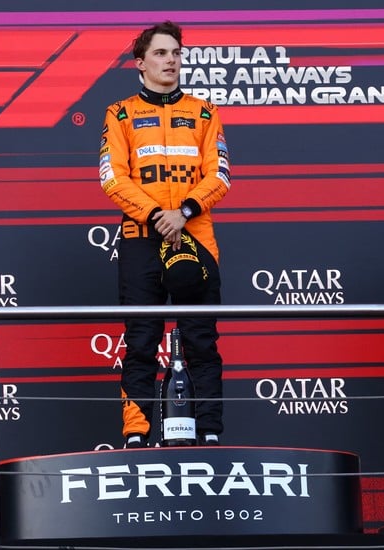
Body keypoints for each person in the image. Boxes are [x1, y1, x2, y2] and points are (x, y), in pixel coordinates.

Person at [99, 21, 230, 448]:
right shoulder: (119, 114)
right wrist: (159, 214)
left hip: (196, 238)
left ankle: (209, 433)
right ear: (140, 62)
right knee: (141, 340)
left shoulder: (205, 112)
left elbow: (221, 175)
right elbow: (112, 179)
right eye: (160, 53)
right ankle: (136, 435)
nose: (170, 59)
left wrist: (185, 211)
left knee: (201, 342)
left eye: (175, 52)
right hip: (142, 237)